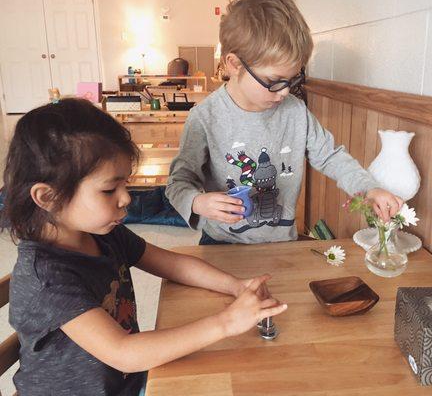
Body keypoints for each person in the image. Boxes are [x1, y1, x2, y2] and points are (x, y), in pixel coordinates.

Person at [1, 99, 286, 396]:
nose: (126, 198)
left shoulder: (105, 234)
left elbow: (172, 264)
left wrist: (235, 286)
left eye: (126, 184)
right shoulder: (46, 278)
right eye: (110, 189)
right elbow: (123, 352)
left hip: (127, 381)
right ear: (48, 197)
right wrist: (226, 322)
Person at [165, 0, 404, 246]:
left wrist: (369, 188)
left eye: (292, 80)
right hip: (221, 243)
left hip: (281, 242)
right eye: (274, 81)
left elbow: (331, 156)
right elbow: (179, 182)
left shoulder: (295, 111)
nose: (285, 92)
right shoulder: (205, 117)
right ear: (234, 64)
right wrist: (197, 202)